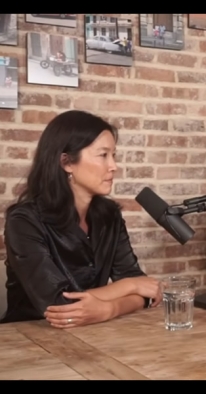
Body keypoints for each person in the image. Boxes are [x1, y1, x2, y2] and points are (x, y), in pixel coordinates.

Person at [0, 110, 163, 328]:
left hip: (93, 333)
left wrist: (110, 308)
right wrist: (129, 287)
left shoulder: (110, 216)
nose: (113, 166)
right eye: (103, 155)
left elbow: (145, 292)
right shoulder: (24, 221)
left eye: (114, 155)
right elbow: (59, 306)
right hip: (31, 339)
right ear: (66, 162)